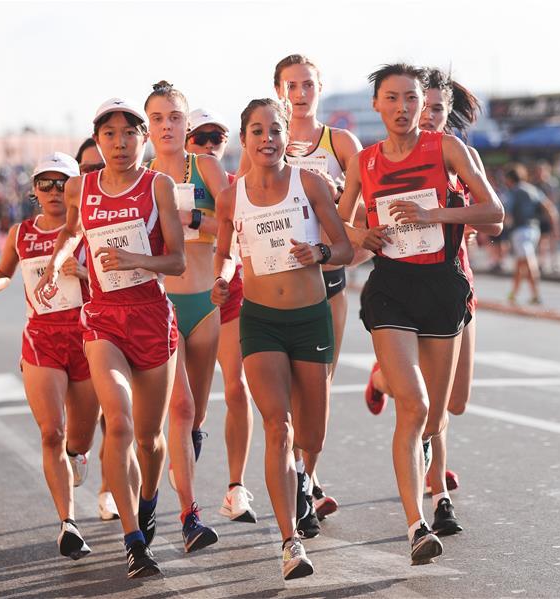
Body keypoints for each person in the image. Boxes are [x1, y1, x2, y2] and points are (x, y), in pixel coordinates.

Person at [338, 64, 503, 566]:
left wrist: (437, 215)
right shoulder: (364, 162)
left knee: (443, 409)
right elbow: (342, 225)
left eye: (417, 100)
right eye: (396, 98)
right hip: (391, 287)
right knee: (415, 408)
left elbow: (493, 214)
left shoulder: (450, 150)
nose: (409, 109)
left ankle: (386, 379)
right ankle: (420, 521)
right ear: (378, 105)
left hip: (446, 285)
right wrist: (358, 236)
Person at [33, 98, 186, 579]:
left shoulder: (158, 185)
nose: (119, 143)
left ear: (142, 139)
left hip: (151, 315)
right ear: (97, 140)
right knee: (116, 424)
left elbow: (178, 260)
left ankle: (149, 500)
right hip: (103, 319)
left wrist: (138, 261)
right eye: (109, 135)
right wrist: (58, 261)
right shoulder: (82, 186)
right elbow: (72, 233)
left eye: (128, 134)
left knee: (149, 438)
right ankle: (133, 540)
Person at [212, 98, 352, 580]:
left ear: (284, 135)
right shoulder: (232, 197)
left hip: (310, 319)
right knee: (278, 425)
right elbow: (226, 254)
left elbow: (345, 248)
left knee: (312, 435)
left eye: (275, 130)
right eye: (257, 130)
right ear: (245, 139)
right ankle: (290, 541)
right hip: (261, 322)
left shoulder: (308, 183)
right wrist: (223, 278)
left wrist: (318, 251)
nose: (267, 138)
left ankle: (304, 478)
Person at [0, 152, 100, 562]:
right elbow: (5, 270)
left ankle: (77, 457)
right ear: (34, 191)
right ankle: (68, 524)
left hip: (88, 338)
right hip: (41, 340)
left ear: (76, 188)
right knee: (51, 434)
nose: (55, 191)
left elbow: (115, 279)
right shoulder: (21, 233)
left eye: (64, 183)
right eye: (47, 183)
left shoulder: (89, 229)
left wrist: (85, 274)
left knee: (77, 439)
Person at [273, 54, 365, 533]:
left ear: (319, 88)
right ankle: (301, 484)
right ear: (278, 90)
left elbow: (365, 195)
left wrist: (335, 199)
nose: (300, 93)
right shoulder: (267, 140)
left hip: (328, 275)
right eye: (291, 85)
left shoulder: (340, 142)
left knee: (319, 386)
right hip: (280, 277)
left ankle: (307, 478)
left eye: (307, 84)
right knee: (288, 393)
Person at [142, 81, 228, 542]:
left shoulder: (207, 168)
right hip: (162, 306)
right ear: (148, 127)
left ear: (186, 121)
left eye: (174, 117)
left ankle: (159, 488)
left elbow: (236, 223)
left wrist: (194, 218)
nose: (167, 126)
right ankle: (189, 516)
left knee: (195, 421)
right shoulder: (141, 177)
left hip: (204, 303)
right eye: (157, 119)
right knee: (180, 406)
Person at [184, 108, 259, 524]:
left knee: (237, 388)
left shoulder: (230, 184)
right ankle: (180, 494)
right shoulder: (162, 177)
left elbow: (238, 226)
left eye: (220, 137)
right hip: (183, 296)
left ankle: (235, 487)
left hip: (227, 292)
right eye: (203, 137)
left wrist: (197, 218)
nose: (212, 145)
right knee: (189, 409)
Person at [73, 137, 117, 522]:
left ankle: (108, 489)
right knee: (83, 425)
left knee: (117, 418)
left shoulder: (121, 219)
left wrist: (87, 272)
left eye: (99, 167)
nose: (95, 174)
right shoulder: (69, 228)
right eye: (87, 169)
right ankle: (76, 449)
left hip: (113, 331)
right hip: (71, 337)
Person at [505, 164, 553, 304]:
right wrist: (553, 226)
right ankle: (513, 293)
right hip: (534, 228)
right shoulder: (532, 189)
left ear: (510, 179)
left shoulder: (514, 191)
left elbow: (507, 213)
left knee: (528, 260)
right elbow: (547, 206)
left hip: (520, 229)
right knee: (520, 263)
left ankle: (536, 294)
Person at [532, 161, 560, 273]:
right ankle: (541, 262)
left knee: (553, 239)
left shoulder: (551, 184)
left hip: (551, 215)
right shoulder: (535, 185)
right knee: (542, 241)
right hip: (540, 217)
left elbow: (554, 200)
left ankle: (555, 263)